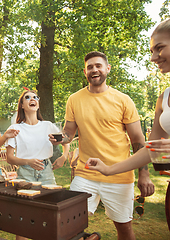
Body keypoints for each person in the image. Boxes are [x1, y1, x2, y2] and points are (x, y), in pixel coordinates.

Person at [57, 51, 155, 240]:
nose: (94, 70)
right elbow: (69, 133)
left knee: (124, 230)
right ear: (84, 72)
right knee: (66, 224)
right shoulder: (74, 99)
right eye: (90, 67)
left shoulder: (123, 100)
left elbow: (137, 140)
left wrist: (144, 173)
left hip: (119, 175)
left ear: (107, 69)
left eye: (98, 66)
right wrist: (60, 139)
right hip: (85, 173)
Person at [86, 19, 170, 176]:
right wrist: (109, 169)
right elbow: (150, 149)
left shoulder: (123, 99)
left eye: (159, 48)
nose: (153, 58)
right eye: (152, 51)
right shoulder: (164, 98)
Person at [5, 90, 70, 185]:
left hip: (46, 171)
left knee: (49, 198)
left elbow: (66, 141)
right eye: (27, 97)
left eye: (35, 97)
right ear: (22, 105)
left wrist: (63, 157)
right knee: (26, 198)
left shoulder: (48, 125)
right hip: (25, 172)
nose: (32, 99)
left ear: (38, 105)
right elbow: (9, 158)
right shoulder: (15, 128)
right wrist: (28, 162)